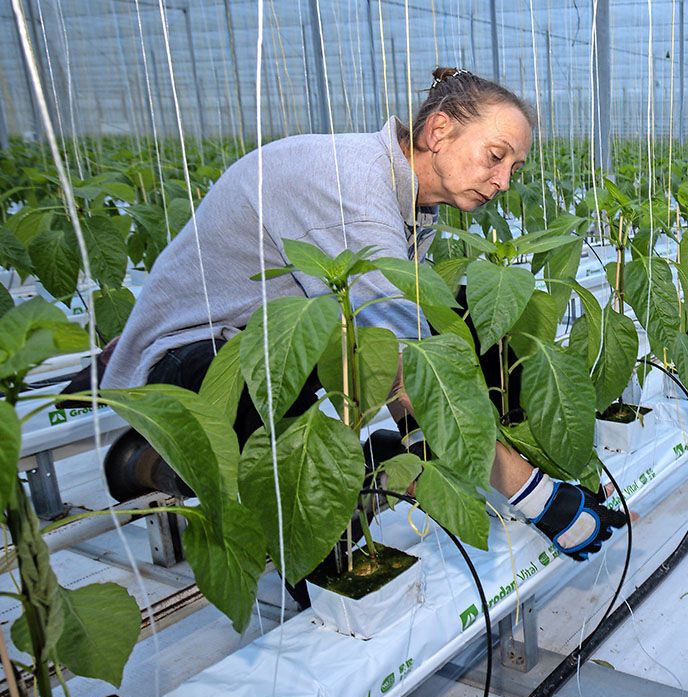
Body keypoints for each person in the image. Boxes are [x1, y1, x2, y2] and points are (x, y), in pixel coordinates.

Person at [101, 67, 626, 565]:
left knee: (471, 324)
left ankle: (404, 464)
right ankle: (155, 462)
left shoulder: (416, 202)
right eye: (496, 156)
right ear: (439, 131)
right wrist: (538, 499)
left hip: (279, 335)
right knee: (297, 471)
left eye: (514, 168)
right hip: (197, 356)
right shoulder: (352, 186)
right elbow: (401, 357)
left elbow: (405, 335)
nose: (504, 181)